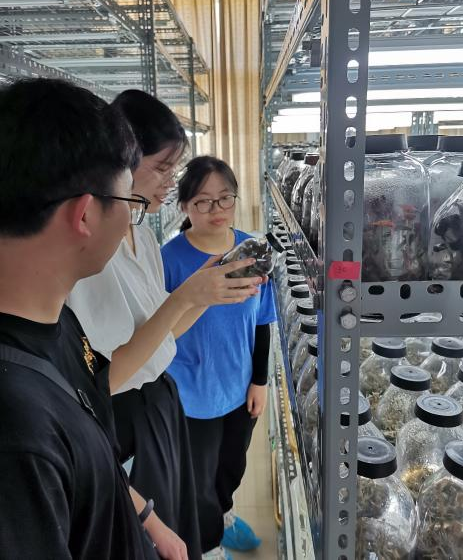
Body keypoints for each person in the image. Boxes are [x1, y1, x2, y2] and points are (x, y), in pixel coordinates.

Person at [67, 90, 263, 560]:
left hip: (160, 403)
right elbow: (102, 380)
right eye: (162, 167)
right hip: (126, 419)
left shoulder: (144, 236)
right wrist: (186, 297)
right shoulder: (94, 254)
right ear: (121, 161)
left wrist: (205, 294)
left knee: (183, 513)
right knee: (153, 536)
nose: (169, 181)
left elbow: (162, 335)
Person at [0, 78, 161, 559]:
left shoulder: (57, 323)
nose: (132, 221)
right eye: (131, 203)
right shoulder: (19, 429)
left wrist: (144, 518)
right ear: (85, 214)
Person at [161, 156, 277, 560]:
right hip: (191, 395)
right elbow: (157, 332)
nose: (217, 210)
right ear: (184, 206)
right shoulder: (169, 260)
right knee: (197, 483)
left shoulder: (253, 251)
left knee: (231, 467)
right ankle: (208, 545)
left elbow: (263, 321)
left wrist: (259, 380)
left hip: (239, 386)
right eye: (203, 201)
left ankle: (223, 516)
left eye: (225, 198)